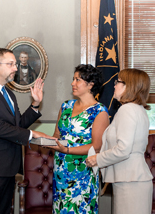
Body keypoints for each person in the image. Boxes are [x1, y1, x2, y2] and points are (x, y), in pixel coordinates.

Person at [0, 48, 50, 214]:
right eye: (11, 64)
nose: (15, 68)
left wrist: (35, 105)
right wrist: (32, 134)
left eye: (16, 64)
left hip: (8, 167)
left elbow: (17, 125)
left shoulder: (9, 94)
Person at [86, 69, 153, 214]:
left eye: (118, 82)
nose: (114, 85)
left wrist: (98, 159)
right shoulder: (138, 110)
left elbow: (123, 149)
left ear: (129, 86)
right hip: (133, 179)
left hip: (130, 181)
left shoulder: (127, 110)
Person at [48, 64, 109, 214]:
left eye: (77, 80)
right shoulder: (66, 106)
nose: (72, 83)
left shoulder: (99, 111)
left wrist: (67, 150)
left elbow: (96, 147)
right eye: (73, 79)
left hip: (83, 171)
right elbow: (57, 135)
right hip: (60, 169)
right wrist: (45, 142)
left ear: (90, 85)